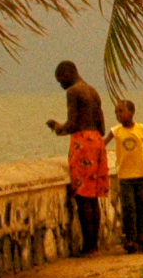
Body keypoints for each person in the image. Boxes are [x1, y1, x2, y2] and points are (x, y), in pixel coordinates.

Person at [46, 61, 108, 255]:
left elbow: (72, 124)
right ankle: (94, 244)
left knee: (82, 196)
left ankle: (88, 246)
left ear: (68, 74)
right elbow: (102, 125)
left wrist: (57, 127)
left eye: (60, 80)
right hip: (97, 141)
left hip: (83, 143)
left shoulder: (73, 92)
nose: (61, 85)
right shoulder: (92, 90)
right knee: (93, 196)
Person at [109, 99, 143, 254]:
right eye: (116, 112)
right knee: (128, 208)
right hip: (125, 176)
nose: (118, 115)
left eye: (121, 111)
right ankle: (130, 238)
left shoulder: (142, 129)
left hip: (141, 174)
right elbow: (103, 143)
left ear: (131, 112)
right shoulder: (116, 131)